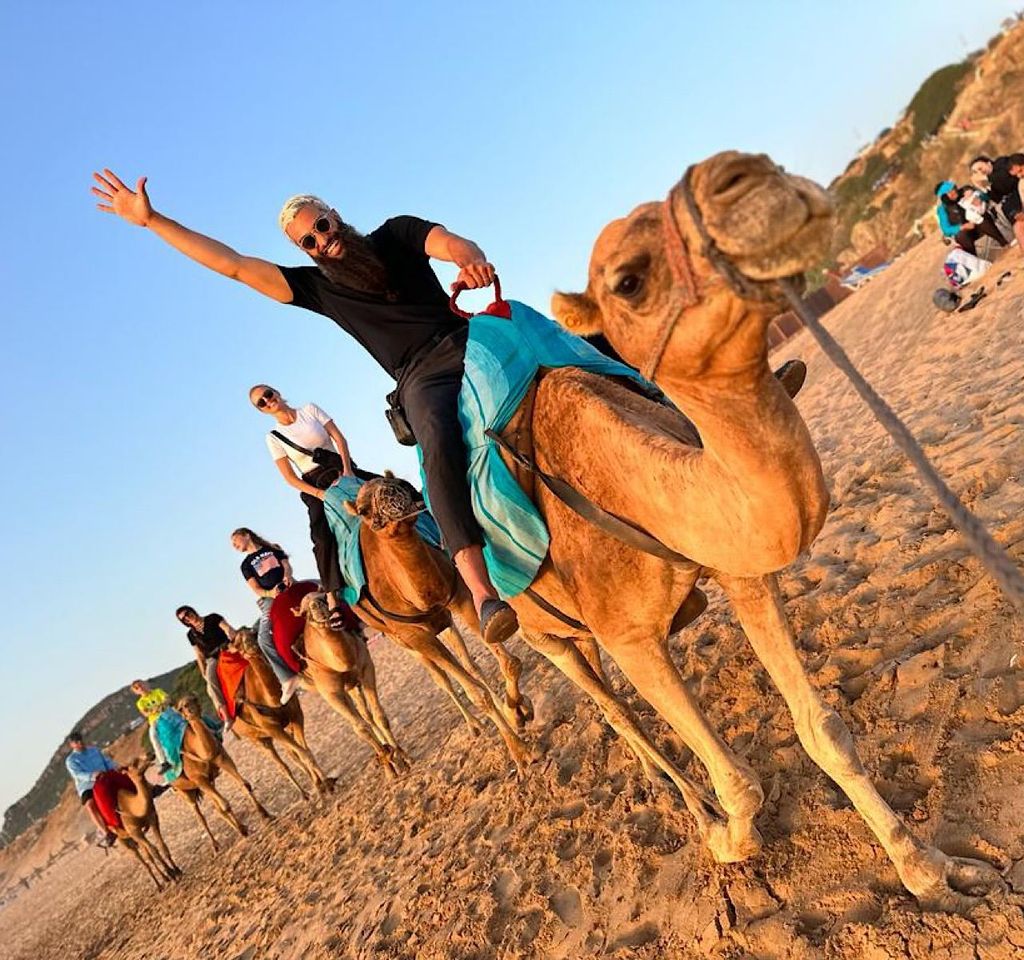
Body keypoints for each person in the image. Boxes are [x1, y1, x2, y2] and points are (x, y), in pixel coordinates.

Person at [91, 171, 519, 645]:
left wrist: (469, 260)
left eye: (322, 226)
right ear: (305, 251)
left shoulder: (396, 233)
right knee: (435, 443)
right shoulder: (318, 288)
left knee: (560, 345)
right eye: (309, 241)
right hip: (420, 375)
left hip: (469, 335)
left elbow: (450, 242)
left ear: (334, 215)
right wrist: (153, 221)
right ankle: (481, 591)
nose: (322, 240)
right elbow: (234, 266)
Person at [249, 384, 376, 631]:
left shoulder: (309, 410)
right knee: (321, 536)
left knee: (392, 488)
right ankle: (332, 597)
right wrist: (320, 494)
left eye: (268, 394)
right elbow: (289, 477)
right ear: (261, 410)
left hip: (341, 467)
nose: (267, 401)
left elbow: (339, 438)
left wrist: (348, 471)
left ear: (276, 392)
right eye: (261, 403)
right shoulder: (273, 437)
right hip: (313, 483)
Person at [230, 527, 300, 701]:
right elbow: (256, 588)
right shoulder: (246, 565)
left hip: (290, 585)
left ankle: (355, 628)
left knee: (321, 591)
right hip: (270, 597)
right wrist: (271, 593)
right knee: (263, 639)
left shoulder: (272, 548)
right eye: (233, 544)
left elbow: (286, 565)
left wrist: (287, 577)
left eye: (235, 541)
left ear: (247, 535)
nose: (234, 546)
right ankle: (288, 678)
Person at [176, 605, 237, 724]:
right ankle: (226, 717)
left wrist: (233, 640)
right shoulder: (191, 635)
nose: (187, 618)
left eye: (187, 613)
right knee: (211, 683)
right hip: (212, 658)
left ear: (192, 610)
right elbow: (199, 654)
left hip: (227, 648)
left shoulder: (212, 618)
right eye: (183, 619)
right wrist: (204, 672)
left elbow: (227, 628)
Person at [64, 732, 118, 847]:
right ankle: (106, 832)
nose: (80, 743)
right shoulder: (71, 760)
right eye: (76, 742)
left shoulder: (94, 750)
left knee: (128, 776)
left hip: (105, 777)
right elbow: (78, 775)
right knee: (90, 805)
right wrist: (93, 775)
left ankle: (151, 791)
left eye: (80, 740)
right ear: (72, 745)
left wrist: (115, 767)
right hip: (88, 785)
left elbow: (107, 761)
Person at [934, 181, 1007, 256]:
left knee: (979, 219)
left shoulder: (965, 190)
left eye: (953, 189)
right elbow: (946, 229)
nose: (954, 192)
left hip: (981, 224)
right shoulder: (942, 209)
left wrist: (978, 197)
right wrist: (962, 227)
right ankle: (974, 259)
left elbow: (986, 197)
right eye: (950, 192)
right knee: (961, 235)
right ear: (944, 197)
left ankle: (1004, 243)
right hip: (966, 234)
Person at [969, 154, 1024, 249]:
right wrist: (982, 188)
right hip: (1010, 204)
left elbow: (1008, 181)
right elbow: (997, 198)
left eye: (980, 168)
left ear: (988, 163)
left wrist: (986, 178)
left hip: (1017, 194)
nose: (980, 172)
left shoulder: (1001, 163)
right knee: (1016, 224)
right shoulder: (990, 181)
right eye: (976, 172)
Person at [129, 679, 171, 771]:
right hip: (155, 721)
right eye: (137, 688)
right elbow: (145, 713)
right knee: (153, 736)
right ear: (136, 692)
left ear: (145, 684)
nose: (140, 688)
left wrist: (163, 704)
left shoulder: (158, 691)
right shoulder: (140, 702)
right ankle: (164, 762)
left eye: (141, 685)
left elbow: (167, 698)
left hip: (168, 714)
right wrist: (154, 710)